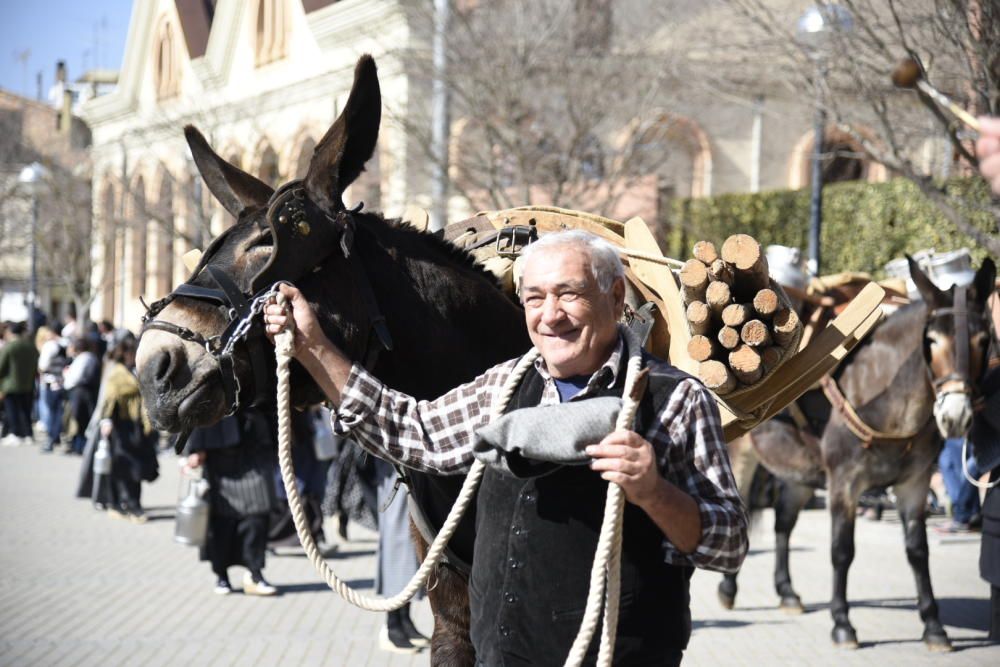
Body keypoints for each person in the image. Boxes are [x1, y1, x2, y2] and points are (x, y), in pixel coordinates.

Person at [264, 230, 748, 664]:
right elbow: (414, 431)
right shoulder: (502, 387)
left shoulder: (674, 399)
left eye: (569, 294)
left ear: (616, 295)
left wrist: (654, 491)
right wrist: (312, 346)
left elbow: (727, 546)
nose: (550, 315)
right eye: (534, 298)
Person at [185, 406, 278, 597]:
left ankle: (254, 573)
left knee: (257, 515)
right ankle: (222, 575)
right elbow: (199, 397)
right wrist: (196, 447)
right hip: (218, 445)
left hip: (255, 442)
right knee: (222, 520)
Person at [97, 336, 159, 522]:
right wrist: (106, 421)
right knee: (124, 467)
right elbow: (109, 399)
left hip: (137, 425)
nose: (134, 355)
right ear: (123, 354)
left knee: (134, 468)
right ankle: (122, 504)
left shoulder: (135, 370)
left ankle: (129, 504)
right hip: (120, 426)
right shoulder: (116, 373)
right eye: (131, 352)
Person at [374, 457, 429, 654]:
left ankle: (404, 620)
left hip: (408, 460)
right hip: (391, 459)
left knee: (411, 539)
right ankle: (392, 625)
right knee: (397, 538)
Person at [0, 321, 40, 447]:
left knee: (12, 411)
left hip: (11, 384)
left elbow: (2, 366)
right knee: (26, 410)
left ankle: (15, 433)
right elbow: (36, 364)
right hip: (28, 383)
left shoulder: (10, 346)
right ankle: (28, 434)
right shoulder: (30, 346)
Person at [63, 337, 102, 454]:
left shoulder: (85, 358)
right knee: (80, 420)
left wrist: (66, 375)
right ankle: (78, 445)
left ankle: (81, 446)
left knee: (81, 420)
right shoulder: (88, 357)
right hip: (82, 392)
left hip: (81, 393)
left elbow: (75, 377)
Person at [36, 326, 68, 453]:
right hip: (61, 382)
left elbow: (43, 365)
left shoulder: (49, 346)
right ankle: (55, 436)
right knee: (58, 411)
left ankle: (51, 438)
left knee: (51, 411)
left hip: (51, 381)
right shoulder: (64, 343)